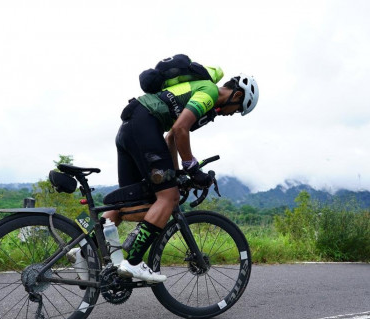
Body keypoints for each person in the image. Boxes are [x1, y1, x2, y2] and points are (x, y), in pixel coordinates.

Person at [102, 71, 259, 283]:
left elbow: (171, 138)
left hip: (130, 128)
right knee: (169, 198)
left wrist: (176, 175)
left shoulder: (202, 95)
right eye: (238, 109)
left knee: (128, 202)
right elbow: (180, 129)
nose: (233, 114)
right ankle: (133, 263)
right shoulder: (210, 92)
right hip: (145, 126)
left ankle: (85, 249)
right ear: (237, 95)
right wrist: (192, 168)